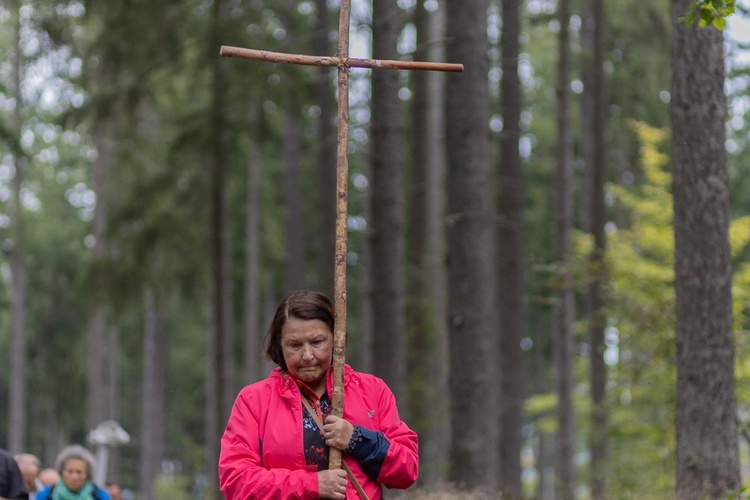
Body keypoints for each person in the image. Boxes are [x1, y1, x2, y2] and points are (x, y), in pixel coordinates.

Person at [219, 290, 419, 499]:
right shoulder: (254, 401)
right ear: (280, 344)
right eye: (295, 345)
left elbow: (407, 470)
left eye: (317, 343)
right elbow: (236, 482)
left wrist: (358, 440)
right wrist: (312, 485)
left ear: (336, 339)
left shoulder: (372, 391)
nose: (307, 356)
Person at [35, 445, 110, 500]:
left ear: (87, 474)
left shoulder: (100, 496)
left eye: (79, 472)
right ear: (62, 472)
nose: (74, 477)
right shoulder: (45, 495)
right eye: (70, 472)